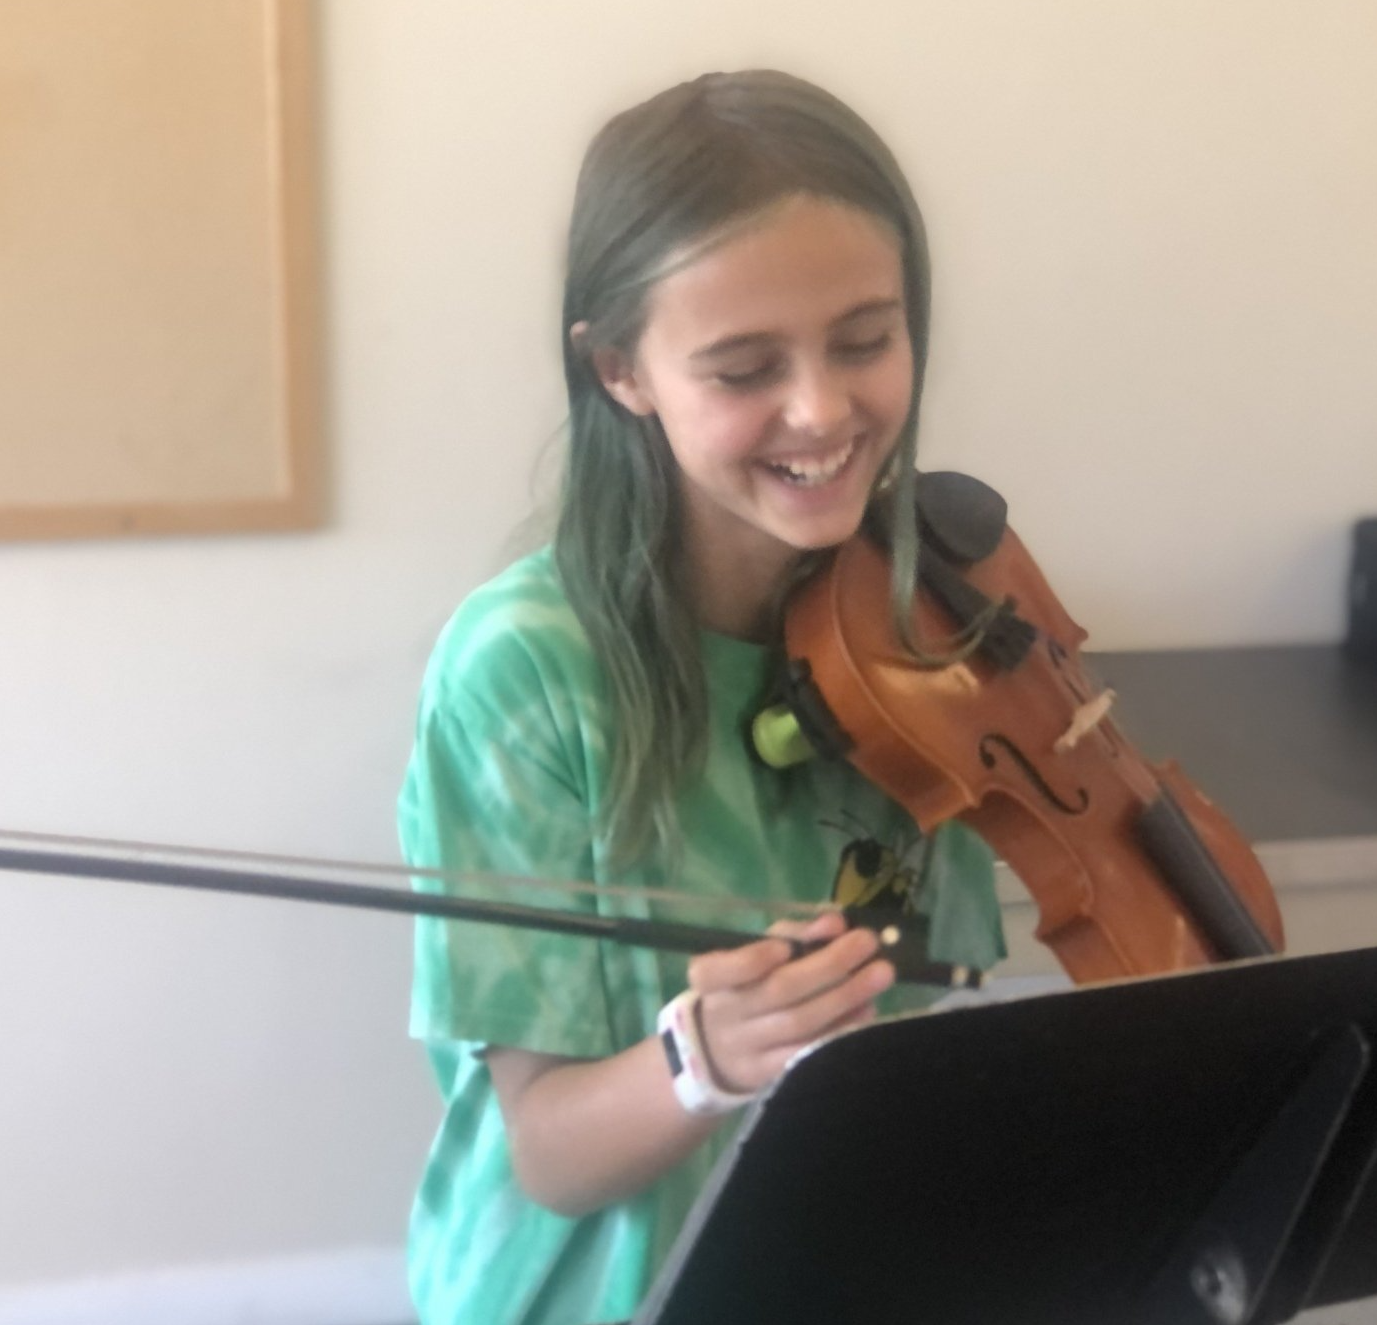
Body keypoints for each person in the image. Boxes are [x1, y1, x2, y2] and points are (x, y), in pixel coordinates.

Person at [397, 69, 1005, 1325]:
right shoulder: (521, 669)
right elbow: (552, 1154)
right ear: (621, 368)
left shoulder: (916, 635)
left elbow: (896, 1018)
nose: (822, 410)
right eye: (741, 367)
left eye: (864, 339)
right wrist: (704, 1059)